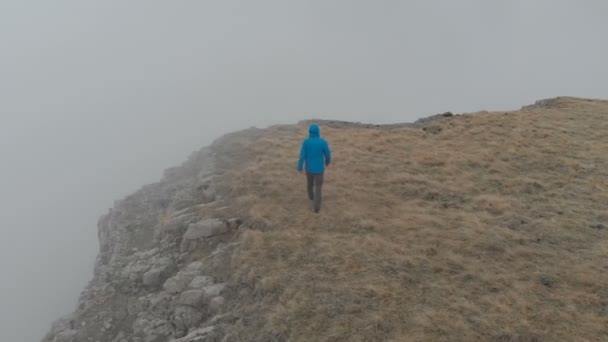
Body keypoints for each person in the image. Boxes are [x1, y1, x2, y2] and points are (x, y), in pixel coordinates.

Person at [297, 124, 331, 213]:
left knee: (309, 184)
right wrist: (327, 162)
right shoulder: (323, 142)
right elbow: (327, 154)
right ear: (318, 132)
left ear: (310, 132)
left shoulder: (306, 142)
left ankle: (311, 198)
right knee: (318, 187)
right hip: (319, 169)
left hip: (309, 169)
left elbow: (302, 156)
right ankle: (316, 207)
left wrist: (300, 167)